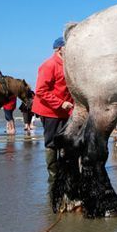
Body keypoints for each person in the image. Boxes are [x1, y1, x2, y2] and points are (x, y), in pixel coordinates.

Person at [33, 36, 74, 183]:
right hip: (50, 111)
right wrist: (61, 103)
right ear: (59, 49)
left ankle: (64, 173)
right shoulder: (49, 65)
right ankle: (53, 176)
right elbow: (40, 91)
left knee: (66, 142)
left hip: (66, 111)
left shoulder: (69, 65)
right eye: (67, 46)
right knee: (52, 143)